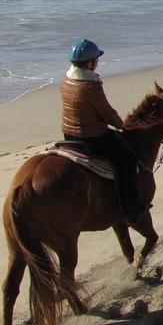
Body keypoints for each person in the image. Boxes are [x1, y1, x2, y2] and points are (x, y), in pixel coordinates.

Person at [60, 38, 145, 224]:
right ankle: (130, 204)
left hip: (68, 134)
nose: (98, 62)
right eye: (96, 59)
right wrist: (123, 126)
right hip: (92, 137)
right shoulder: (90, 86)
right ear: (90, 63)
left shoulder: (67, 80)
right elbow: (107, 113)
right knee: (128, 159)